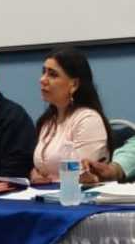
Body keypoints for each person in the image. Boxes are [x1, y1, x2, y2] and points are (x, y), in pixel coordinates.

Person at [30, 46, 113, 184]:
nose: (42, 80)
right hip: (46, 197)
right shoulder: (47, 122)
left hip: (76, 199)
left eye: (52, 74)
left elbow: (80, 175)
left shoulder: (88, 120)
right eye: (44, 72)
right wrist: (34, 174)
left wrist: (49, 181)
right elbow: (41, 167)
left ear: (74, 84)